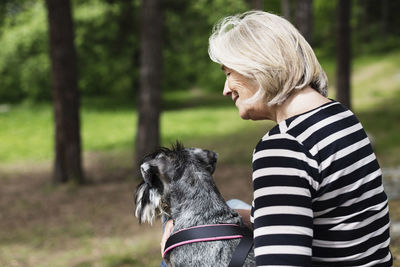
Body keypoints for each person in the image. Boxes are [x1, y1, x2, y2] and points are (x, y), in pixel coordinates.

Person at [161, 10, 393, 266]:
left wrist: (182, 241)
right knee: (232, 206)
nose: (225, 90)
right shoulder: (339, 116)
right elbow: (328, 217)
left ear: (256, 66)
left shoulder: (284, 147)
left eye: (228, 73)